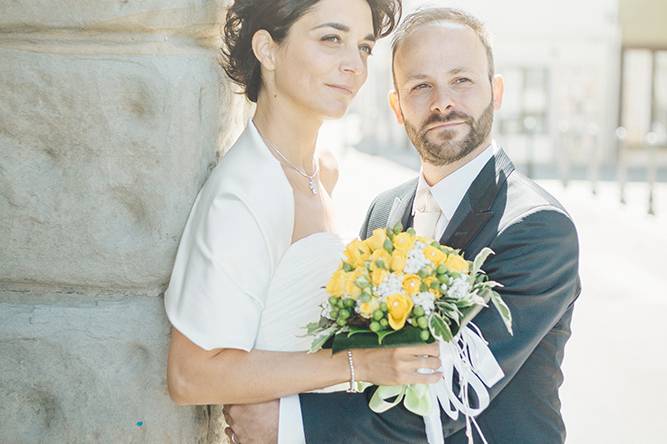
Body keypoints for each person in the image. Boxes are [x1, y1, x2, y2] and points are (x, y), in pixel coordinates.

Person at [227, 7, 581, 444]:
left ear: (497, 91)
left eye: (462, 81)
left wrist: (287, 424)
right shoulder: (384, 213)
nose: (442, 101)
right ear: (396, 106)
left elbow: (450, 394)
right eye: (420, 86)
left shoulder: (537, 229)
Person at [163, 1, 447, 443]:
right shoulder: (245, 193)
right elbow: (190, 374)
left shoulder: (322, 172)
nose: (353, 65)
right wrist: (360, 363)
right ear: (267, 49)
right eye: (330, 39)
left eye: (365, 48)